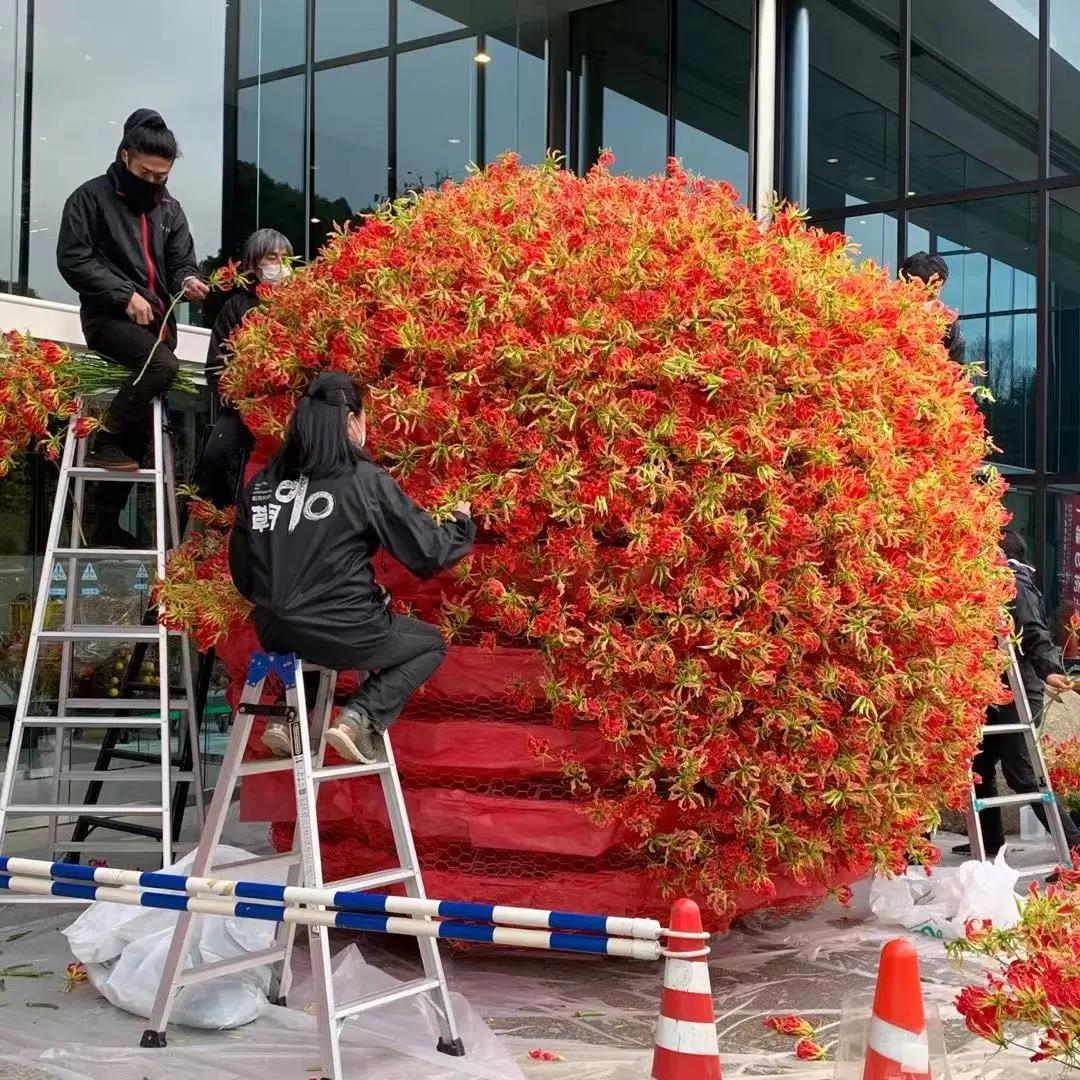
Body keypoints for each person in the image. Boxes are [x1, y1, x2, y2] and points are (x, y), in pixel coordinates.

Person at [229, 372, 475, 764]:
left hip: (274, 630)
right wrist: (460, 524)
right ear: (351, 420)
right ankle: (360, 718)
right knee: (430, 643)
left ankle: (283, 717)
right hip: (344, 629)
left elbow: (242, 575)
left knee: (306, 632)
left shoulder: (263, 483)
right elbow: (429, 552)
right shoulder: (363, 480)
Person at [57, 108, 208, 545]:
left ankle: (102, 522)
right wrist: (124, 295)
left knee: (139, 432)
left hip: (157, 328)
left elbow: (182, 262)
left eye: (162, 176)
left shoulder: (170, 210)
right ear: (125, 157)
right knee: (163, 369)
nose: (155, 182)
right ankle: (104, 436)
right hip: (107, 320)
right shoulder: (89, 199)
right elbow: (73, 259)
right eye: (147, 173)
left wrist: (190, 281)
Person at [958, 530, 1080, 858]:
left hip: (1020, 690)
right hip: (995, 689)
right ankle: (989, 842)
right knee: (979, 767)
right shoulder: (991, 581)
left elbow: (1033, 630)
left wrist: (1049, 668)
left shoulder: (1015, 582)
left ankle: (1076, 846)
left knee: (1021, 771)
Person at [196, 228, 294, 508]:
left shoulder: (301, 303)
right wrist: (245, 402)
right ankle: (226, 521)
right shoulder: (235, 307)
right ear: (253, 265)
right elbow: (216, 366)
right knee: (218, 454)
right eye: (271, 257)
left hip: (293, 404)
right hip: (246, 406)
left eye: (285, 258)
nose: (279, 265)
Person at [898, 251, 965, 363]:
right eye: (926, 297)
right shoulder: (889, 313)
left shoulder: (949, 325)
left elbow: (957, 370)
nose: (928, 306)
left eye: (932, 297)